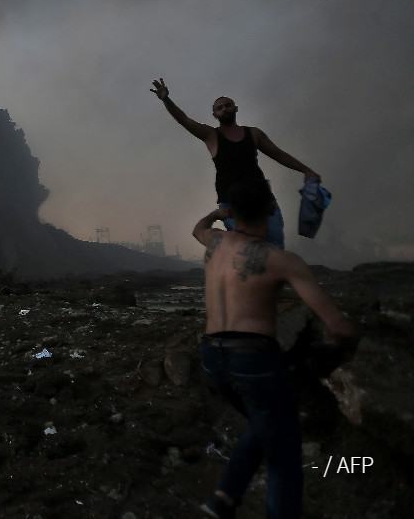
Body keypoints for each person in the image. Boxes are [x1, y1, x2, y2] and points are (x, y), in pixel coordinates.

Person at [192, 179, 357, 518]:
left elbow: (199, 227)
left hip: (211, 356)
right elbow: (337, 326)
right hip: (252, 359)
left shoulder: (215, 242)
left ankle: (223, 498)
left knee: (263, 421)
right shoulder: (281, 260)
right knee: (283, 452)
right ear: (272, 210)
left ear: (232, 212)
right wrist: (355, 337)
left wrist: (218, 213)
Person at [151, 77, 321, 248]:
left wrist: (306, 170)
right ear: (215, 115)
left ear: (236, 108)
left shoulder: (253, 134)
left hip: (262, 199)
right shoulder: (211, 135)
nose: (224, 109)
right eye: (220, 108)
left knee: (275, 247)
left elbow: (278, 154)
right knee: (246, 250)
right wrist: (166, 99)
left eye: (228, 105)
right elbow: (184, 120)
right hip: (232, 203)